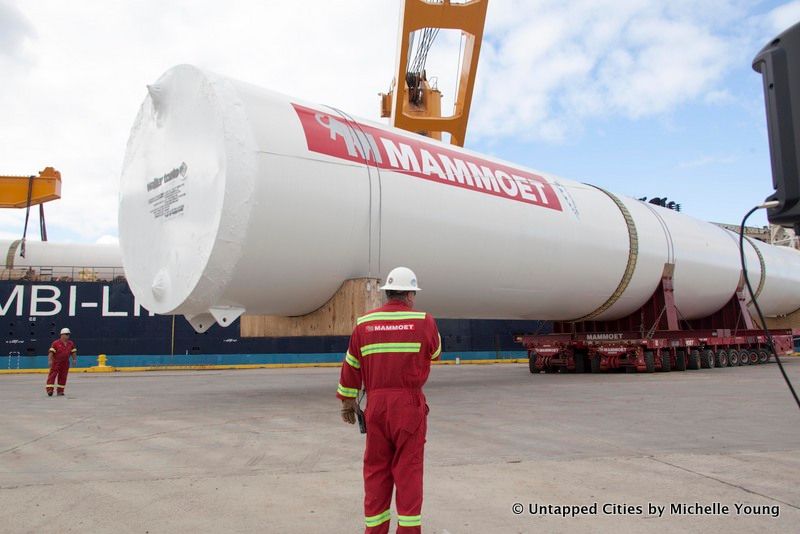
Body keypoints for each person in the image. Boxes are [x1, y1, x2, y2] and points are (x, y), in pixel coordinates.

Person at [337, 267, 441, 533]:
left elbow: (351, 365)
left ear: (387, 294)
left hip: (376, 406)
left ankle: (375, 530)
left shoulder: (364, 324)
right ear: (409, 294)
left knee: (376, 470)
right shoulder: (424, 321)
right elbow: (437, 351)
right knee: (409, 472)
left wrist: (347, 400)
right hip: (408, 405)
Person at [46, 328, 77, 396]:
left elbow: (73, 352)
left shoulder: (70, 343)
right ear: (62, 335)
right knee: (52, 375)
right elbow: (51, 352)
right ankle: (50, 390)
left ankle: (60, 391)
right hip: (56, 362)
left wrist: (74, 360)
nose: (68, 336)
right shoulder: (55, 343)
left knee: (63, 376)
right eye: (66, 334)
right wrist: (50, 360)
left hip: (65, 363)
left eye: (69, 334)